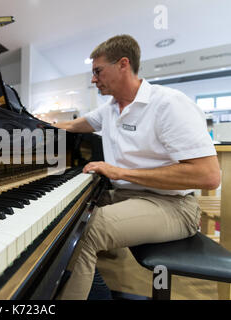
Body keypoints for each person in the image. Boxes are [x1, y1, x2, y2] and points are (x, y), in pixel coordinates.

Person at [54, 35, 220, 299]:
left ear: (123, 64)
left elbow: (208, 175)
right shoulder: (109, 109)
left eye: (98, 71)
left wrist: (119, 172)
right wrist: (25, 123)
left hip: (172, 206)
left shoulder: (168, 103)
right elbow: (73, 126)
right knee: (62, 215)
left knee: (85, 230)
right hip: (126, 196)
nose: (93, 79)